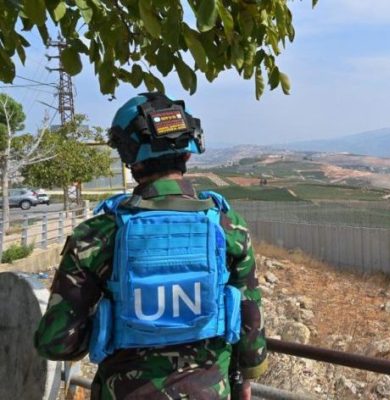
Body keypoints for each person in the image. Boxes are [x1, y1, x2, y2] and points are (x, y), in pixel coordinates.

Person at [34, 92, 267, 399]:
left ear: (128, 157)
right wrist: (246, 379)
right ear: (188, 154)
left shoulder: (98, 235)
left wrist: (111, 324)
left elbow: (56, 342)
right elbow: (250, 322)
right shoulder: (228, 227)